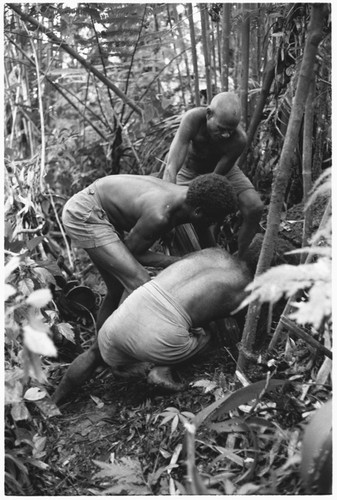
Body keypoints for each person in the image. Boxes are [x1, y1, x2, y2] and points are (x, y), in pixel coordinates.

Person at [53, 244, 256, 405]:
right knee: (210, 336)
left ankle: (54, 401)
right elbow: (224, 323)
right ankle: (162, 369)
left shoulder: (215, 253)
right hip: (159, 336)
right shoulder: (245, 285)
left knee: (93, 354)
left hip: (126, 314)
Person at [62, 173, 237, 330]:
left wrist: (219, 262)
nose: (213, 225)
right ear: (198, 212)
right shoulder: (160, 216)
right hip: (84, 213)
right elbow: (134, 253)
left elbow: (207, 239)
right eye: (213, 220)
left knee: (116, 290)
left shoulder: (192, 198)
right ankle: (113, 348)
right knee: (140, 282)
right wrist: (184, 262)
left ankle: (101, 350)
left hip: (100, 206)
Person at [162, 91, 264, 256]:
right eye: (222, 129)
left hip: (222, 173)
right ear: (209, 114)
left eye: (230, 130)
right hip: (188, 172)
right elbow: (172, 165)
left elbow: (214, 180)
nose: (226, 135)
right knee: (176, 214)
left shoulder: (239, 140)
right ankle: (204, 254)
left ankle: (242, 258)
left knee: (255, 207)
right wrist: (167, 204)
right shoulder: (193, 119)